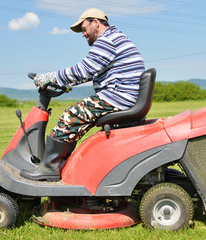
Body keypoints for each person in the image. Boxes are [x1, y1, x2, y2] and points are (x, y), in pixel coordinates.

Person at [20, 8, 145, 181]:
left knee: (71, 116)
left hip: (117, 96)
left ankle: (49, 168)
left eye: (84, 28)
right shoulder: (115, 38)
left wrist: (50, 77)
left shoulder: (107, 40)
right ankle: (61, 166)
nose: (83, 34)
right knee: (77, 120)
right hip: (121, 95)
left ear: (96, 22)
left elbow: (85, 69)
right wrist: (63, 82)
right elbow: (91, 71)